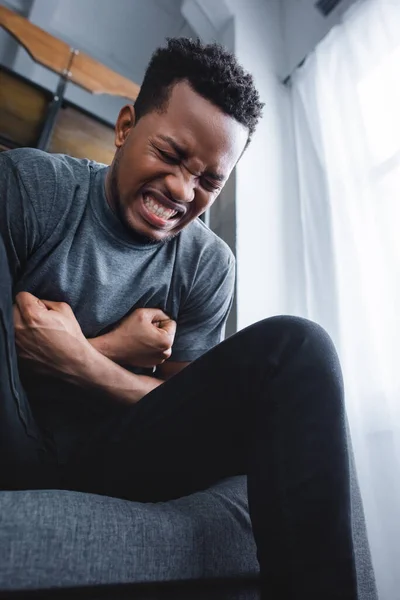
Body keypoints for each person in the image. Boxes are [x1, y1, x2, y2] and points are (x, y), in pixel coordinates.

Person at [0, 38, 358, 599]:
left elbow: (191, 414)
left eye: (209, 181)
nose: (181, 190)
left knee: (299, 347)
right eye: (168, 155)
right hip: (9, 433)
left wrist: (81, 359)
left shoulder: (209, 266)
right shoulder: (34, 188)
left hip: (113, 460)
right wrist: (120, 347)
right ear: (124, 128)